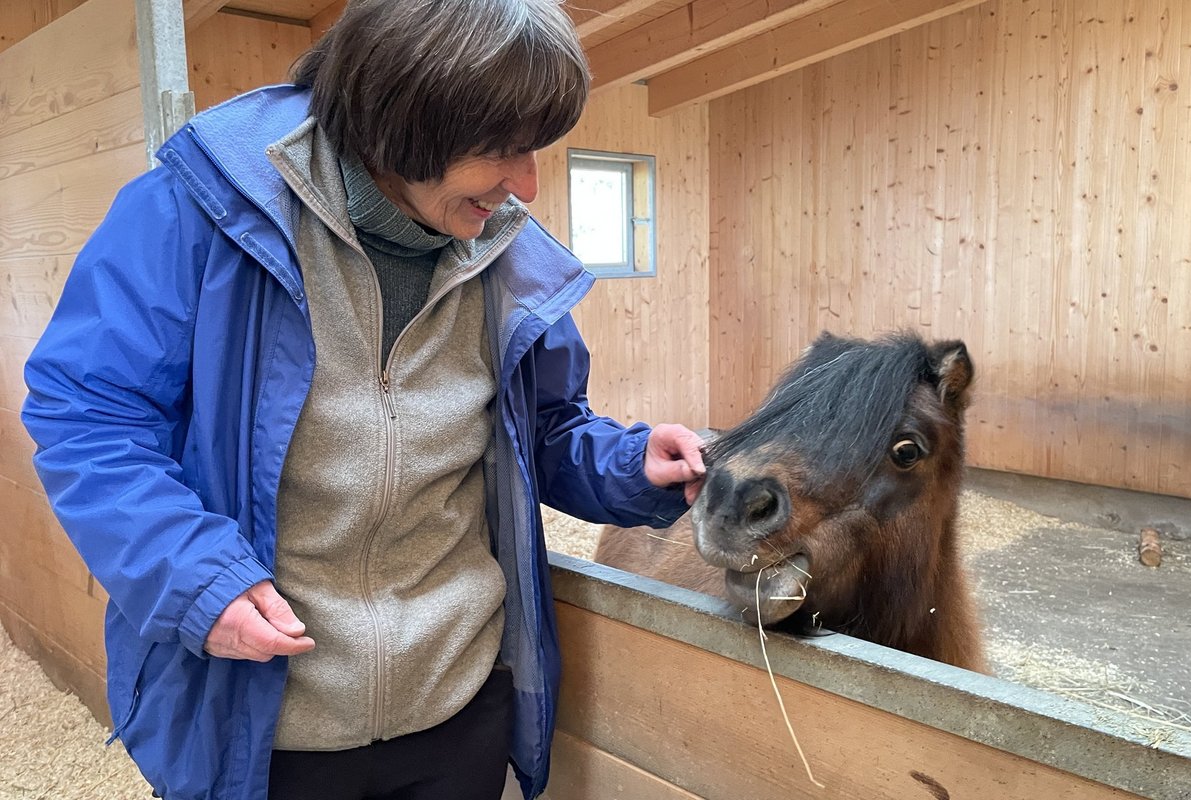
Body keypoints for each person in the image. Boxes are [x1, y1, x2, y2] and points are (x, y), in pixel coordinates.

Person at [21, 1, 705, 798]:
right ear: (406, 118)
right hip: (270, 722)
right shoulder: (196, 213)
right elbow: (89, 418)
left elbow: (545, 429)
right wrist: (198, 578)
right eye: (503, 150)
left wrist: (630, 462)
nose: (526, 185)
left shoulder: (508, 261)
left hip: (456, 706)